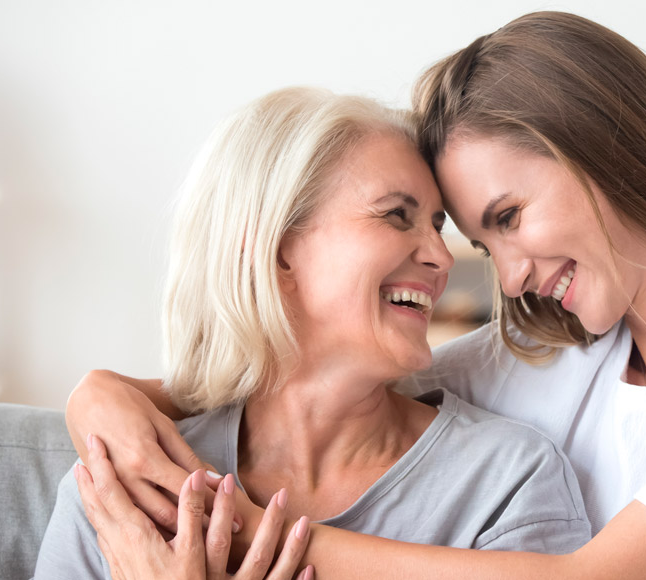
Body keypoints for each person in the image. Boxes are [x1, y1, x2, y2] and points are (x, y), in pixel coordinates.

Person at [65, 12, 646, 580]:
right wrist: (105, 393)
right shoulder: (559, 359)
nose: (504, 276)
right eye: (485, 240)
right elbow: (320, 372)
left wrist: (259, 534)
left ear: (607, 149)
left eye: (509, 215)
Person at [34, 86, 591, 579]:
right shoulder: (126, 487)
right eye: (398, 215)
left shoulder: (505, 483)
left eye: (439, 226)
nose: (442, 257)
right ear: (277, 251)